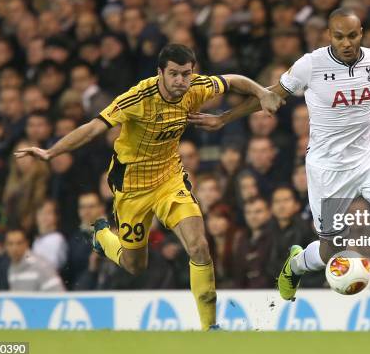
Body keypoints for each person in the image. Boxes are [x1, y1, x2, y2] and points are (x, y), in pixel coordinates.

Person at [190, 8, 370, 330]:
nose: (346, 43)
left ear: (361, 33)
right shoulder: (310, 65)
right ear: (329, 36)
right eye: (339, 36)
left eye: (352, 36)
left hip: (369, 158)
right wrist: (223, 118)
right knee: (332, 250)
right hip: (327, 170)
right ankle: (296, 264)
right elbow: (271, 94)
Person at [15, 44, 283, 330]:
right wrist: (51, 152)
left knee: (199, 247)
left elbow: (232, 80)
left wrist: (262, 92)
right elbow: (94, 127)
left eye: (186, 74)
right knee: (134, 266)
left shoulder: (195, 87)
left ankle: (210, 328)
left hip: (169, 179)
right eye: (174, 74)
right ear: (160, 73)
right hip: (132, 188)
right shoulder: (137, 98)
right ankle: (103, 237)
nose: (181, 80)